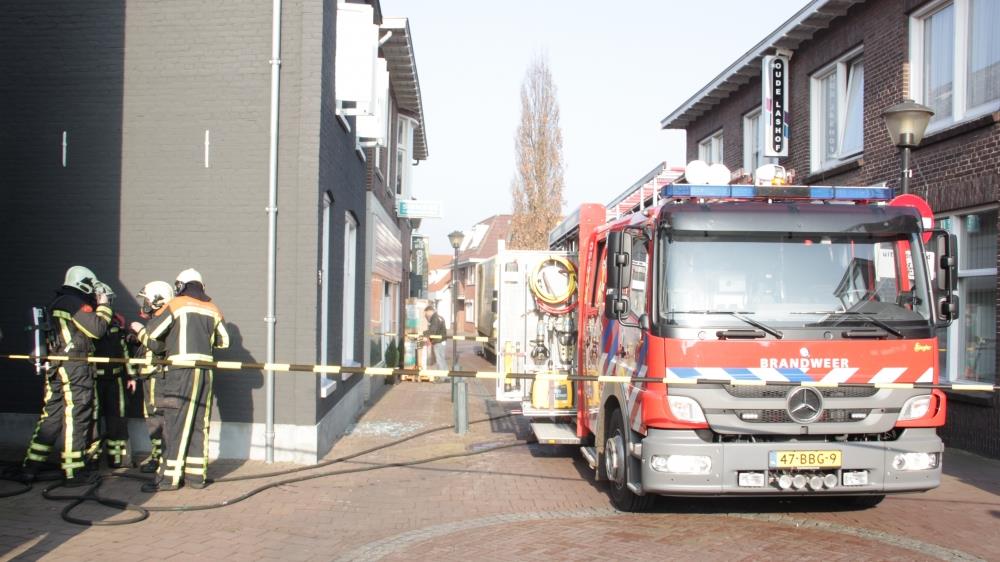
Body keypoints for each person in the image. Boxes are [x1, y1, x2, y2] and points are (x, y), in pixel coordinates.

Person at [133, 269, 228, 492]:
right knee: (198, 423)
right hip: (206, 371)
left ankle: (168, 479)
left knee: (175, 424)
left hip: (180, 370)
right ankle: (196, 477)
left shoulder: (176, 305)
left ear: (180, 286)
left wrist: (139, 332)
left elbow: (154, 334)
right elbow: (224, 342)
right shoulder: (213, 307)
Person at [22, 266, 113, 486]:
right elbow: (97, 330)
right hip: (74, 366)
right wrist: (104, 306)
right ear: (83, 283)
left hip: (56, 365)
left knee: (52, 415)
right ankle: (74, 471)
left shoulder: (58, 301)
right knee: (77, 415)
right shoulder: (73, 303)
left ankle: (31, 466)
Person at [128, 281, 174, 474]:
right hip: (149, 377)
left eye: (147, 299)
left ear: (157, 299)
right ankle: (157, 455)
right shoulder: (157, 319)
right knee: (152, 417)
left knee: (157, 417)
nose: (144, 303)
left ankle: (160, 458)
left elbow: (157, 346)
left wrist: (140, 331)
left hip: (158, 377)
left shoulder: (164, 320)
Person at [89, 312, 132, 469]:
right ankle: (93, 460)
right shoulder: (89, 327)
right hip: (94, 381)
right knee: (94, 419)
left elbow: (125, 352)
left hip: (116, 380)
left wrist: (132, 376)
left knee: (117, 417)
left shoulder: (116, 330)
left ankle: (117, 458)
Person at [422, 305, 448, 372]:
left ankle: (441, 377)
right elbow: (437, 331)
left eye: (426, 313)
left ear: (430, 311)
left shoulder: (434, 318)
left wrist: (423, 333)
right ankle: (446, 376)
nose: (426, 315)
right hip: (442, 341)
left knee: (439, 359)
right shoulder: (440, 317)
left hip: (438, 342)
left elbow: (433, 331)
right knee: (442, 359)